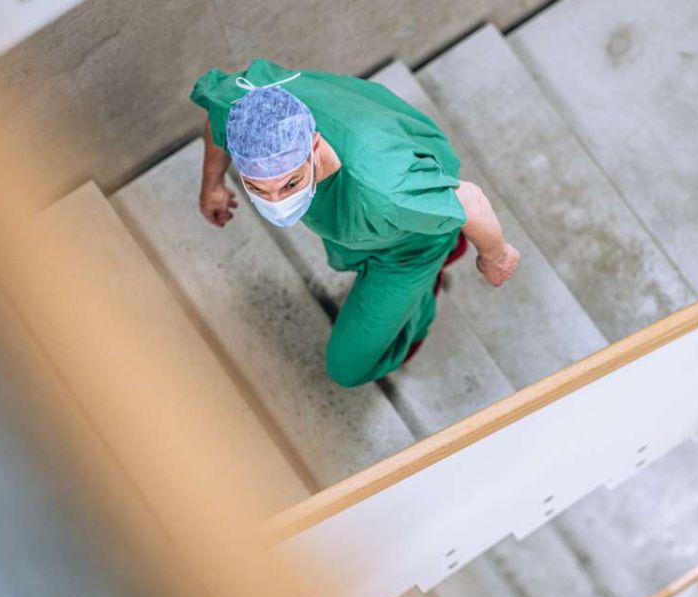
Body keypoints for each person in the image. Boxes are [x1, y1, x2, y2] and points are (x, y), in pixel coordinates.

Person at [190, 58, 520, 388]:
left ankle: (434, 268)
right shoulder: (248, 106)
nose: (276, 204)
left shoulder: (386, 190)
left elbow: (471, 202)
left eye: (291, 184)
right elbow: (218, 117)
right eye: (257, 187)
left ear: (315, 145)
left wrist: (496, 256)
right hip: (368, 212)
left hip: (407, 248)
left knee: (347, 368)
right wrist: (213, 183)